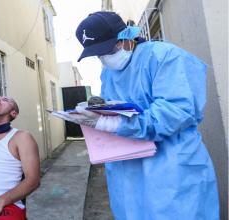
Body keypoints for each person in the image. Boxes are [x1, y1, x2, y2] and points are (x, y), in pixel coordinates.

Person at [70, 11, 219, 219]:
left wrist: (111, 124)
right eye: (98, 54)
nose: (105, 58)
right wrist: (94, 111)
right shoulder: (108, 73)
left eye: (109, 49)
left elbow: (174, 112)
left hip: (170, 169)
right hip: (126, 170)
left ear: (126, 37)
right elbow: (114, 107)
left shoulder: (164, 57)